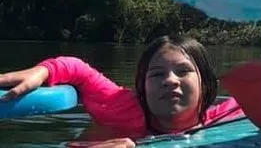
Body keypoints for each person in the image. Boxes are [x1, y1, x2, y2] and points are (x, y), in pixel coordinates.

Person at [0, 35, 244, 148]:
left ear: (206, 83)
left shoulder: (233, 118)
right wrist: (41, 71)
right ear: (141, 87)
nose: (170, 80)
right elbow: (76, 69)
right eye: (156, 74)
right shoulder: (121, 106)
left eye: (183, 71)